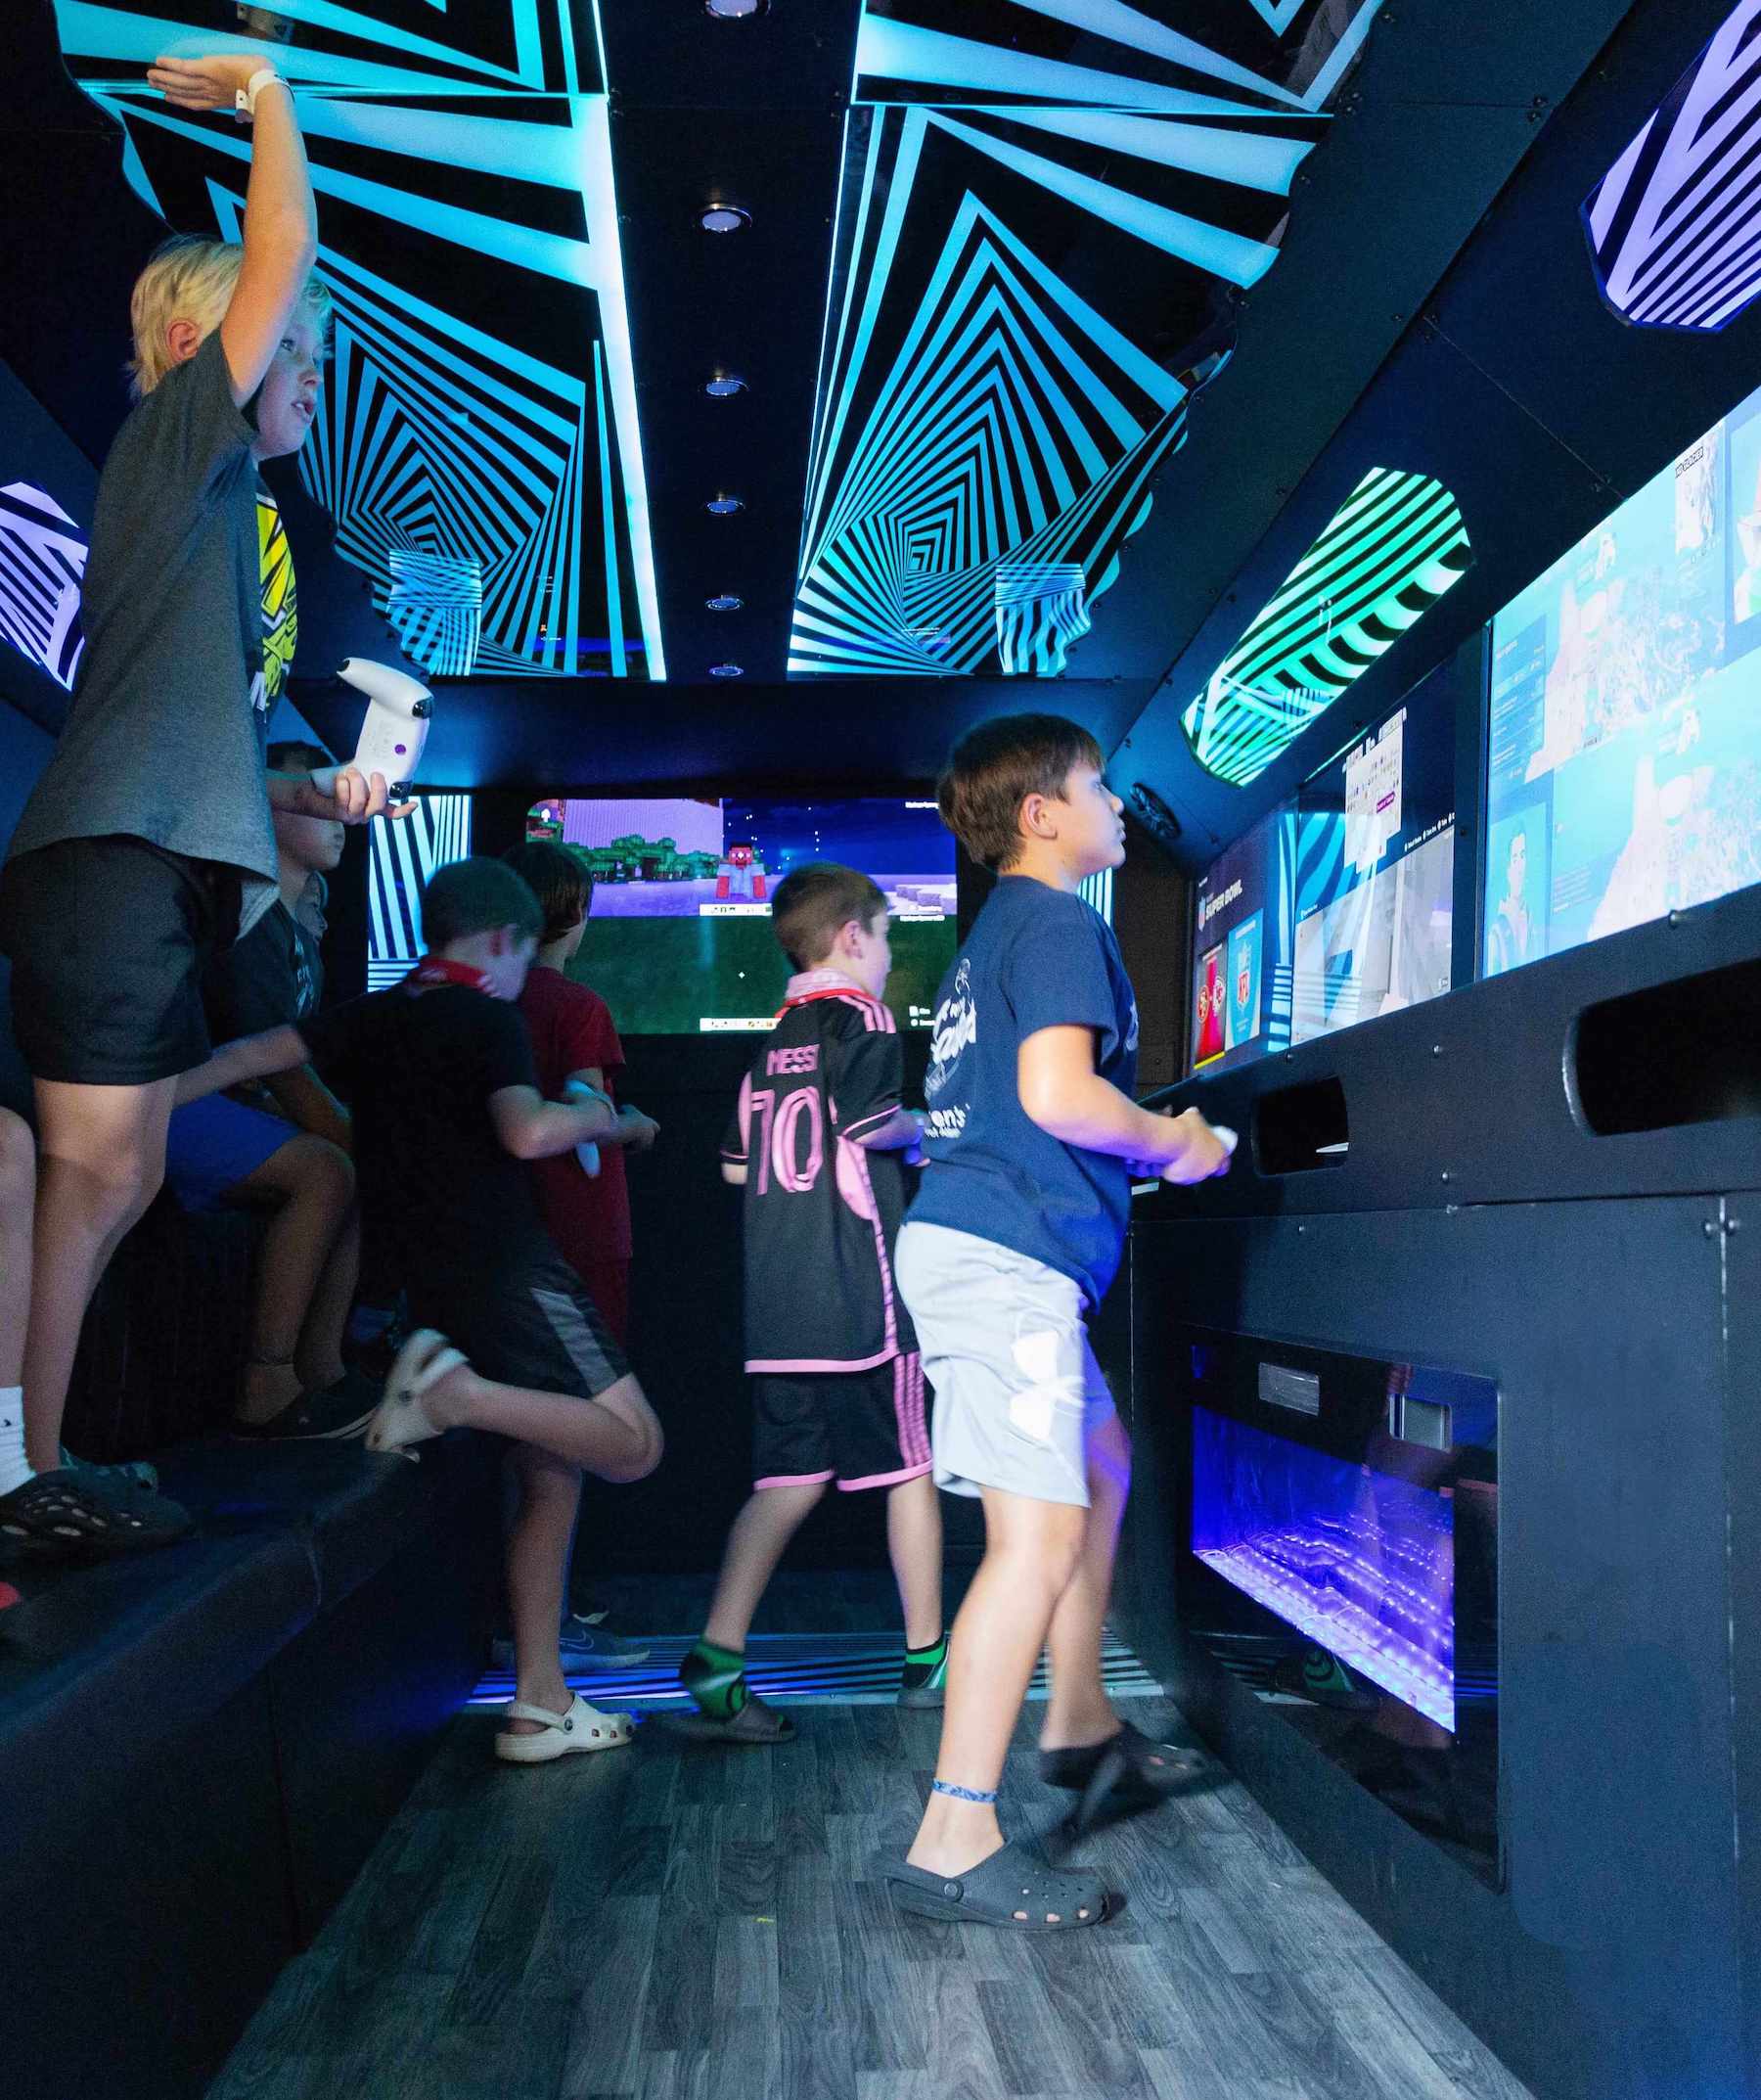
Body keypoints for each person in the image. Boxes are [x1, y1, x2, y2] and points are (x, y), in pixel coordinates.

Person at [0, 52, 406, 1551]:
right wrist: (266, 91)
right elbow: (281, 242)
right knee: (93, 1176)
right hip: (109, 861)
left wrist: (315, 787)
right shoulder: (186, 431)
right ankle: (24, 1469)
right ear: (201, 341)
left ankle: (28, 1460)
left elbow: (202, 735)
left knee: (116, 1176)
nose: (309, 375)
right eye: (294, 347)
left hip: (140, 866)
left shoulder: (218, 508)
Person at [172, 858, 663, 1762]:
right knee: (634, 1446)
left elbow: (244, 1057)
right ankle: (452, 1396)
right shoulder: (487, 1016)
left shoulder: (375, 1013)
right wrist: (610, 1121)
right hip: (511, 1271)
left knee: (553, 1471)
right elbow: (528, 1131)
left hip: (434, 1287)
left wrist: (129, 1102)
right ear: (505, 940)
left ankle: (538, 1706)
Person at [877, 714, 1233, 1932]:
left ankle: (1078, 1722)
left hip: (994, 1256)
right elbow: (1058, 1095)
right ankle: (952, 1838)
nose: (1118, 803)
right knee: (1032, 1540)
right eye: (1099, 784)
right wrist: (1175, 1141)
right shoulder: (1060, 922)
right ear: (1042, 815)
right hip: (1005, 1267)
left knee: (1100, 1466)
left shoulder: (1000, 931)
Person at [672, 863, 945, 1742]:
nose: (890, 954)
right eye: (887, 936)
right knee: (908, 1468)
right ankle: (928, 1661)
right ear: (853, 937)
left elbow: (733, 1168)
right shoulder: (863, 1017)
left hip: (779, 1310)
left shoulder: (775, 1038)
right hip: (859, 1300)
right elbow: (869, 1125)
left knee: (787, 1480)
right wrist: (932, 1130)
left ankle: (717, 1656)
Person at [156, 739, 375, 1438]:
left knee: (355, 1168)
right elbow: (268, 1060)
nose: (341, 819)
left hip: (233, 1109)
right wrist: (344, 1133)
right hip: (172, 1105)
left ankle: (322, 1367)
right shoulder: (246, 919)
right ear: (271, 806)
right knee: (329, 1169)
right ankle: (268, 1378)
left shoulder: (296, 933)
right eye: (320, 799)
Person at [496, 837, 659, 1669]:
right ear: (577, 915)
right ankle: (543, 1630)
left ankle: (533, 1613)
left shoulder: (488, 1002)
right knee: (569, 1443)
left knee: (531, 1447)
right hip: (580, 1246)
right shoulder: (575, 1006)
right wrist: (636, 1127)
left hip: (510, 1245)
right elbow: (590, 1123)